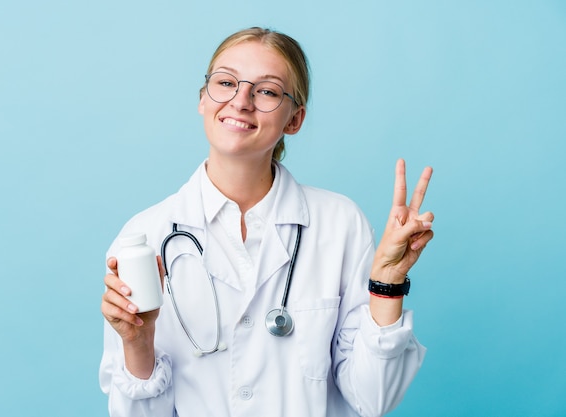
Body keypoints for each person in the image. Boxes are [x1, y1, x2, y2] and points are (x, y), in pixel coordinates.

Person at [99, 27, 434, 417]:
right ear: (203, 100)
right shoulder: (146, 236)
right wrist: (138, 344)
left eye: (267, 91)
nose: (241, 101)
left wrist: (388, 286)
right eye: (225, 82)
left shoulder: (340, 225)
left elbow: (373, 399)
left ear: (295, 119)